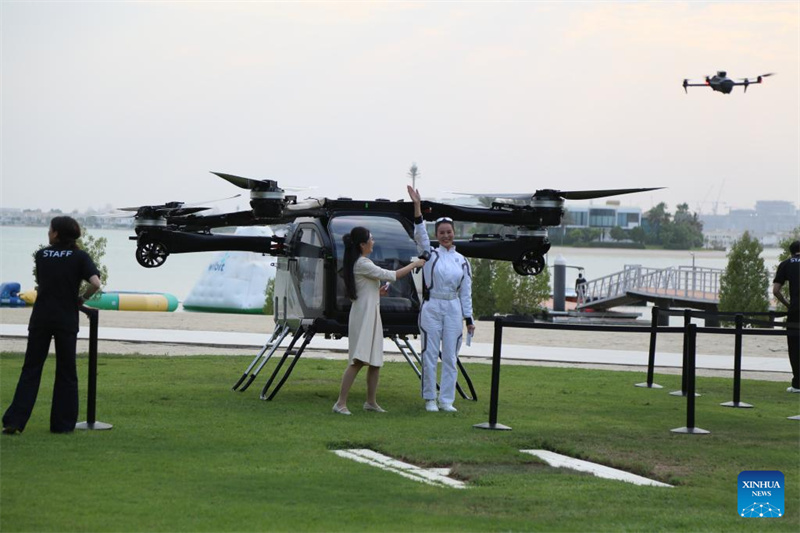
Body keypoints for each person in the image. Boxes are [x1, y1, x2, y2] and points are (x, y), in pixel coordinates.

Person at [2, 216, 102, 435]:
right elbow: (95, 283)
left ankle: (15, 421)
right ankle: (62, 425)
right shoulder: (80, 256)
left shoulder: (42, 255)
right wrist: (81, 299)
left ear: (56, 233)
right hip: (66, 318)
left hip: (41, 317)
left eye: (50, 229)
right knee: (67, 371)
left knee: (31, 369)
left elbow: (46, 281)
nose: (48, 232)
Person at [333, 226, 426, 415]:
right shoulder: (362, 263)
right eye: (371, 239)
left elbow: (362, 292)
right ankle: (340, 403)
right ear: (362, 244)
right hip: (363, 317)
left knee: (375, 361)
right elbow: (391, 275)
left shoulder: (360, 263)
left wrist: (377, 293)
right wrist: (415, 264)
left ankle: (371, 402)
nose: (373, 242)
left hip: (370, 314)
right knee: (358, 360)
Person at [407, 186, 475, 412]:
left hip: (453, 307)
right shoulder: (430, 253)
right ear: (437, 235)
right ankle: (429, 398)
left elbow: (466, 292)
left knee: (450, 356)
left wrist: (469, 318)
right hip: (432, 305)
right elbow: (420, 233)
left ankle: (447, 400)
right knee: (429, 353)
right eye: (442, 232)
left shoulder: (462, 261)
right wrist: (417, 206)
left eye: (449, 232)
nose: (446, 236)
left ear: (454, 233)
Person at [773, 239, 799, 393]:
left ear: (791, 251)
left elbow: (776, 290)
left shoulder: (786, 264)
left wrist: (789, 304)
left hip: (796, 311)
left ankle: (797, 384)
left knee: (795, 347)